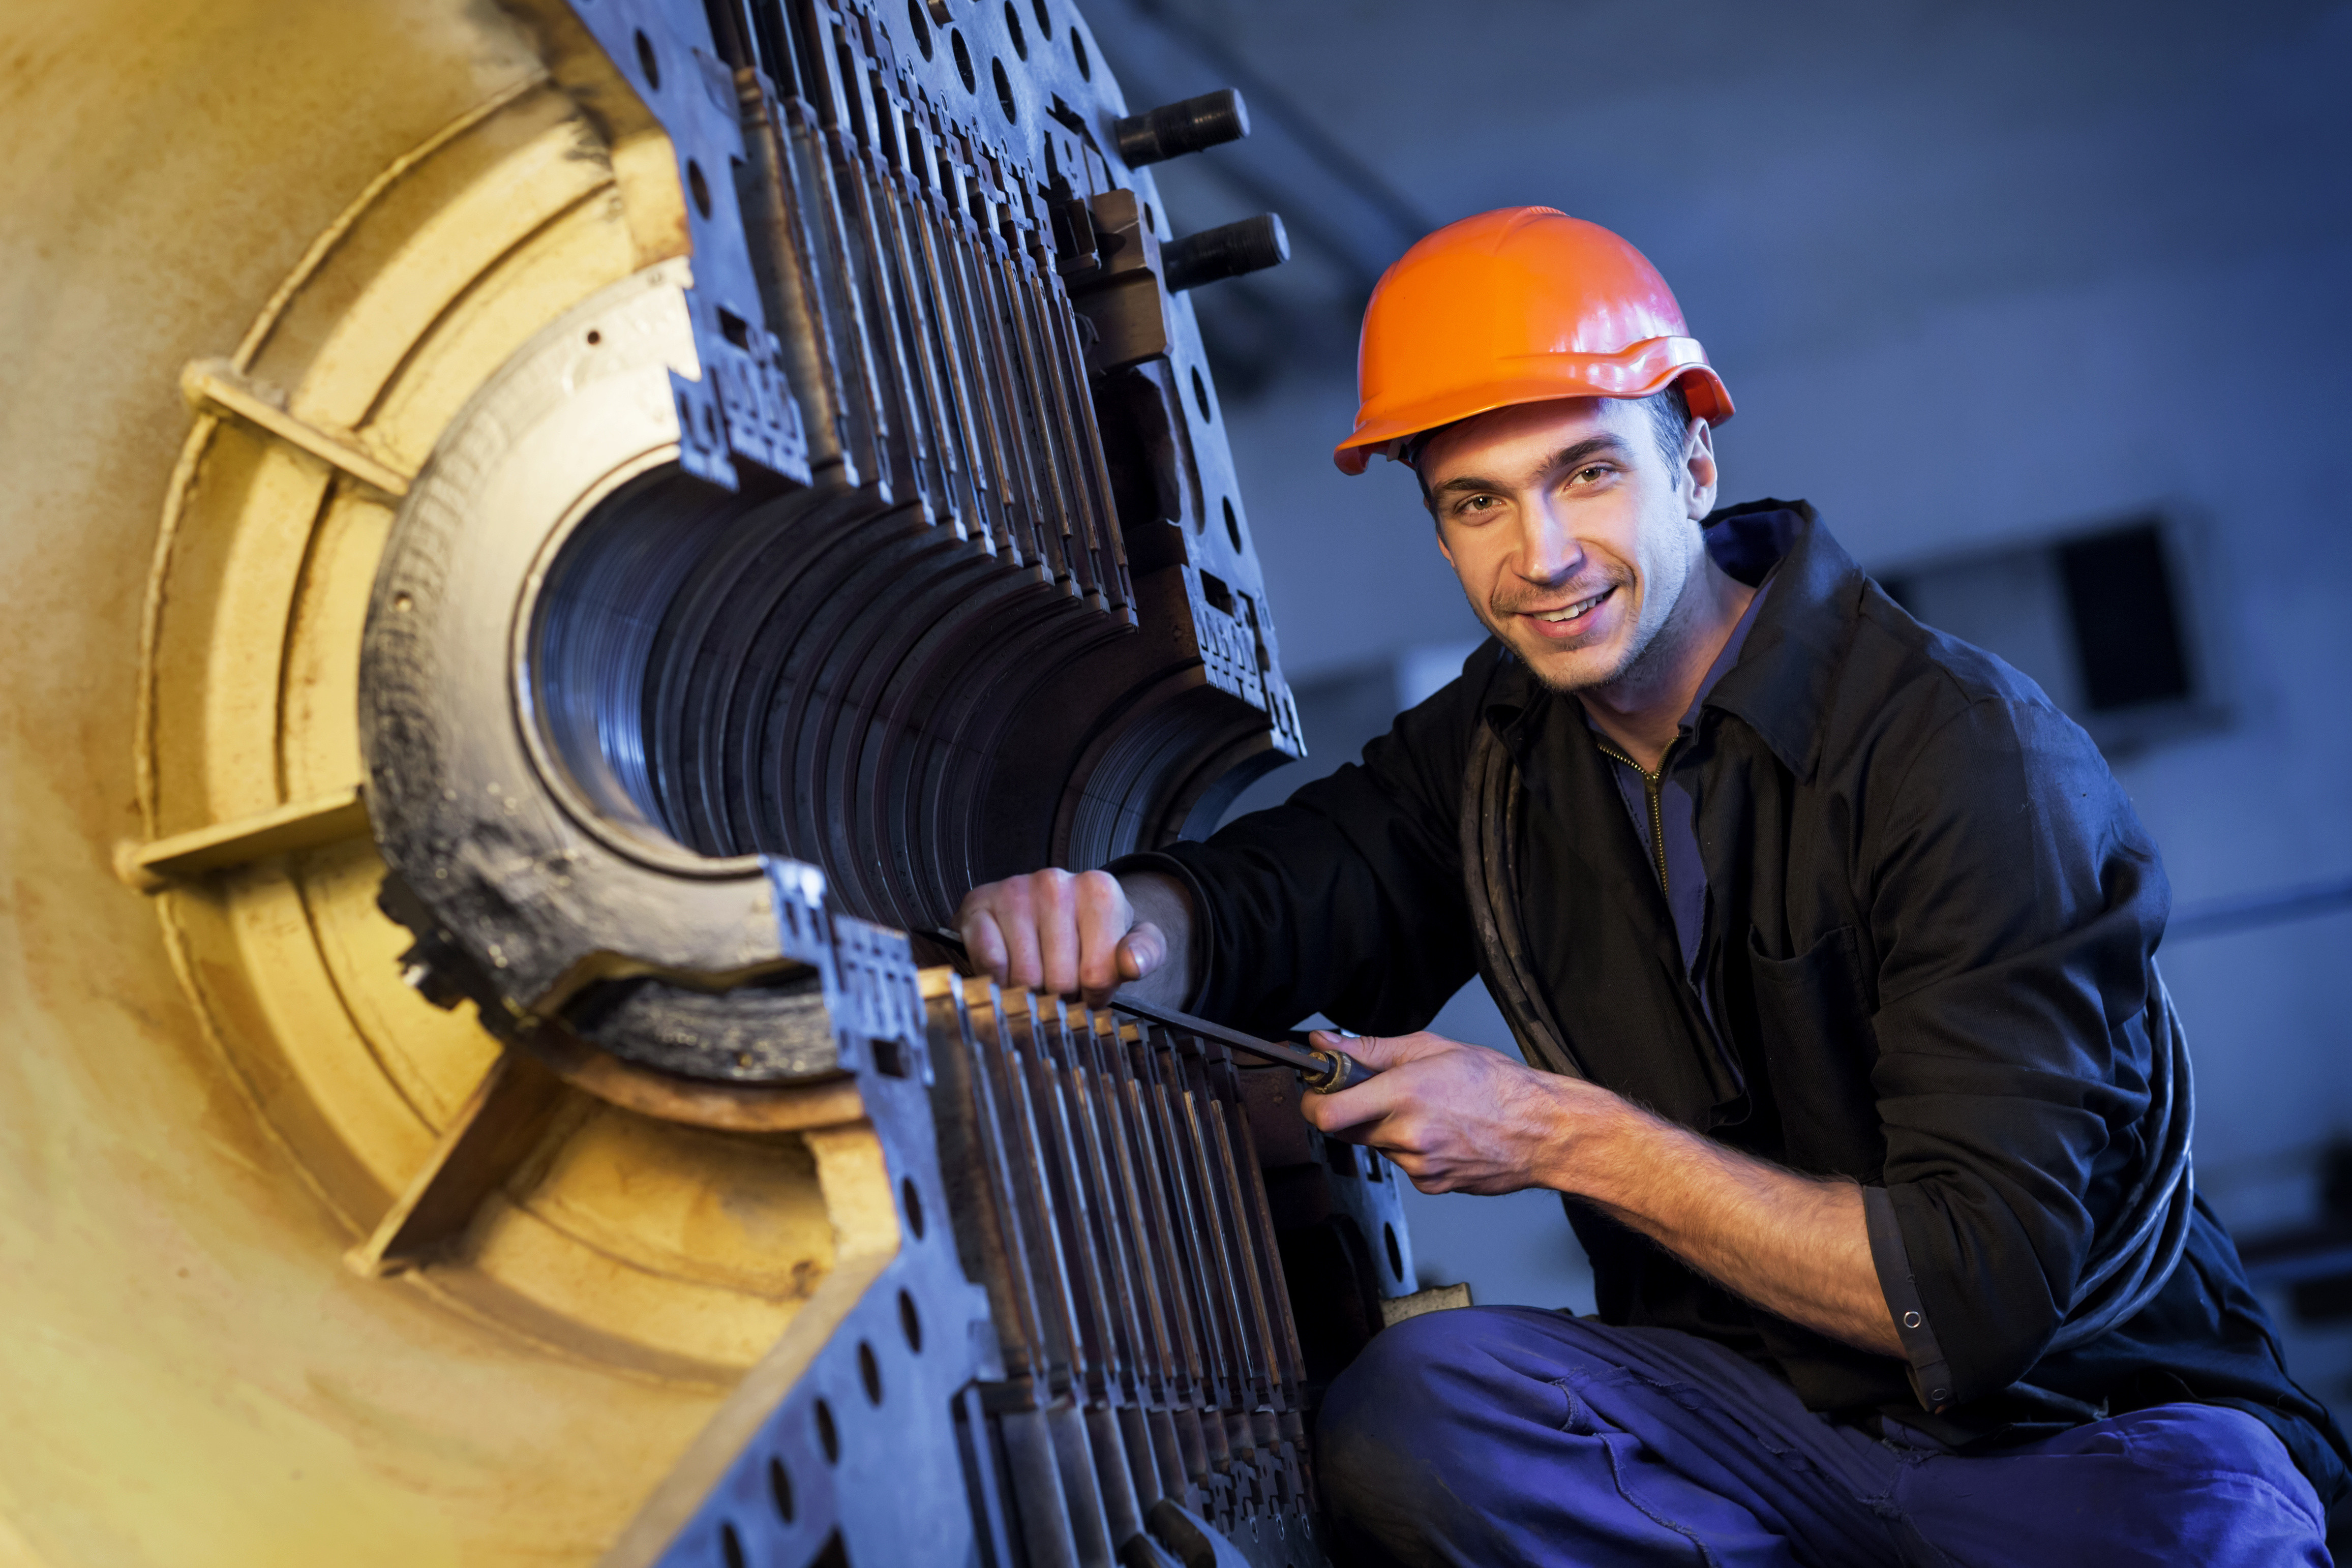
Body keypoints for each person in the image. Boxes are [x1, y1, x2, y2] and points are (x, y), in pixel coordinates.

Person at [957, 206, 2346, 1564]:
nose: (1541, 555)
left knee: (2207, 1529)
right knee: (1420, 1410)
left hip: (2077, 1439)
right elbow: (1280, 900)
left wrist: (1560, 1135)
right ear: (1438, 533)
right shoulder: (1491, 752)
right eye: (1476, 502)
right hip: (1750, 1435)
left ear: (1690, 461)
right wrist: (1120, 922)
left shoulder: (1962, 756)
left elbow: (1972, 1292)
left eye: (1586, 474)